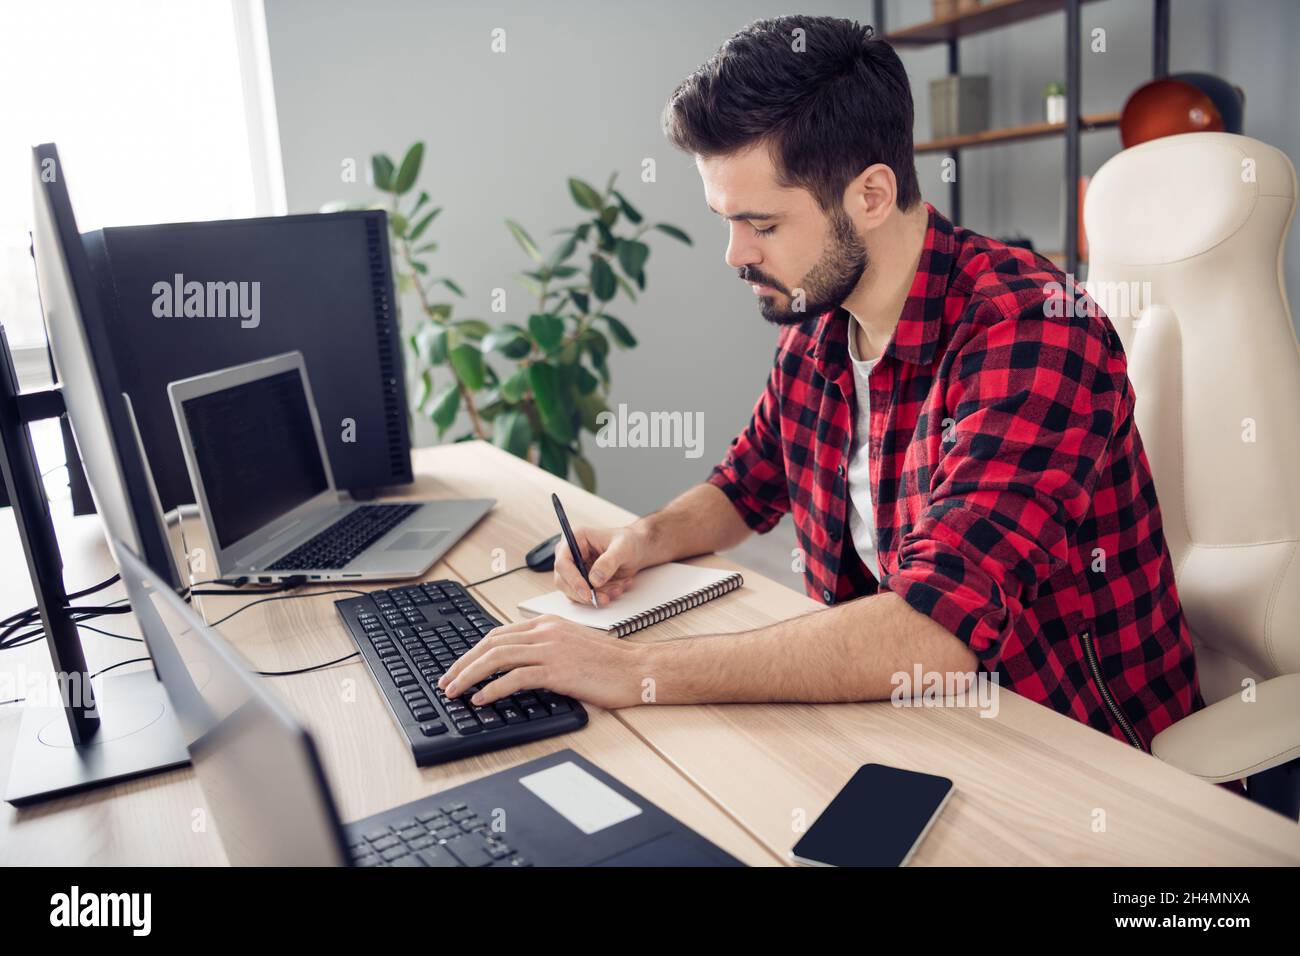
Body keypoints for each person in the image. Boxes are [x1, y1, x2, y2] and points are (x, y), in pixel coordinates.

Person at [439, 15, 1202, 752]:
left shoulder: (1031, 330)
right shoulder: (817, 324)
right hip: (908, 718)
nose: (734, 254)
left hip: (1071, 744)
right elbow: (745, 487)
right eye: (724, 219)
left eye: (762, 225)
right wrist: (649, 537)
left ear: (870, 196)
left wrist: (634, 671)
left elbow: (936, 628)